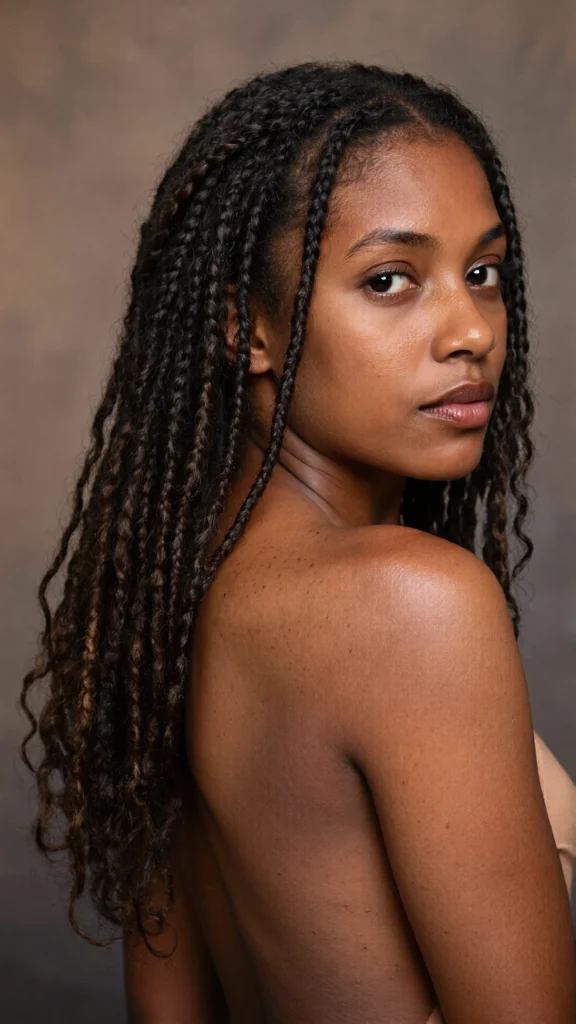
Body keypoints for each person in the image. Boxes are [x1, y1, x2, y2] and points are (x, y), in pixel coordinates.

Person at [20, 61, 576, 1023]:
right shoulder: (416, 603)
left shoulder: (166, 607)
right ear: (248, 326)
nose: (472, 331)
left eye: (483, 273)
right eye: (391, 280)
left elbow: (167, 1009)